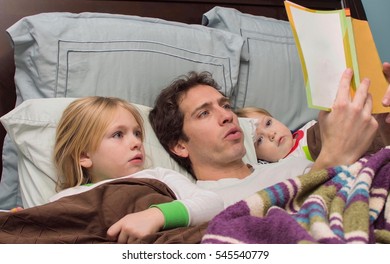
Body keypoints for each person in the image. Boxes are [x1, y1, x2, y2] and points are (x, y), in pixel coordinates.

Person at [149, 64, 390, 207]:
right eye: (204, 113)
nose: (227, 116)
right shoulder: (206, 202)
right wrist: (335, 156)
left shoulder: (291, 164)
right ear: (180, 146)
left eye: (225, 106)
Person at [51, 96, 223, 243]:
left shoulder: (159, 176)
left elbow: (213, 203)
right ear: (84, 156)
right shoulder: (68, 197)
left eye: (137, 133)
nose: (137, 143)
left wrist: (156, 216)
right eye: (118, 134)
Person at [235, 106, 387, 164]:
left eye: (268, 123)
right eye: (259, 140)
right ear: (259, 158)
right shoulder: (286, 163)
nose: (271, 134)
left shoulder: (306, 128)